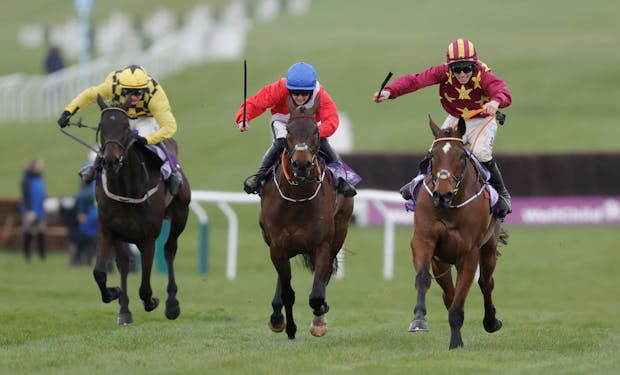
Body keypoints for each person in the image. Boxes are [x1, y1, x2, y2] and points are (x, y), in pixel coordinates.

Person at [373, 38, 512, 219]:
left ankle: (502, 193)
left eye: (467, 68)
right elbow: (415, 81)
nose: (462, 74)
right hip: (457, 117)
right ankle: (418, 181)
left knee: (481, 153)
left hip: (482, 119)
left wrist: (495, 101)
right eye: (456, 69)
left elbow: (502, 90)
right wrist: (390, 92)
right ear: (449, 67)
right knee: (436, 150)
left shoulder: (484, 75)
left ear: (475, 65)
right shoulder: (442, 72)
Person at [56, 64, 184, 195]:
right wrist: (68, 112)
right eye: (127, 92)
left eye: (138, 93)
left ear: (145, 89)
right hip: (123, 115)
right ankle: (94, 167)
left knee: (147, 140)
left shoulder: (155, 94)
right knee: (111, 137)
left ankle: (172, 172)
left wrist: (147, 140)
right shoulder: (112, 85)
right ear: (121, 88)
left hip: (146, 118)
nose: (133, 97)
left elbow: (170, 127)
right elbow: (89, 95)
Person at [235, 61, 357, 197]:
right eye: (295, 93)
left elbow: (332, 119)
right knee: (279, 143)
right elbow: (256, 103)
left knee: (323, 144)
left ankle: (342, 179)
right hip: (283, 123)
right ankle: (259, 177)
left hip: (308, 128)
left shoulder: (320, 94)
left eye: (305, 94)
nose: (300, 97)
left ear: (312, 90)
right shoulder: (279, 88)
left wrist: (316, 133)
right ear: (288, 88)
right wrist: (244, 117)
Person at [19, 157, 47, 261]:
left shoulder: (40, 177)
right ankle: (27, 256)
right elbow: (25, 196)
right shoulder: (26, 179)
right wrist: (29, 211)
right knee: (28, 232)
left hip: (40, 209)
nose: (41, 166)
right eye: (39, 164)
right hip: (29, 210)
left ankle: (42, 256)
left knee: (41, 232)